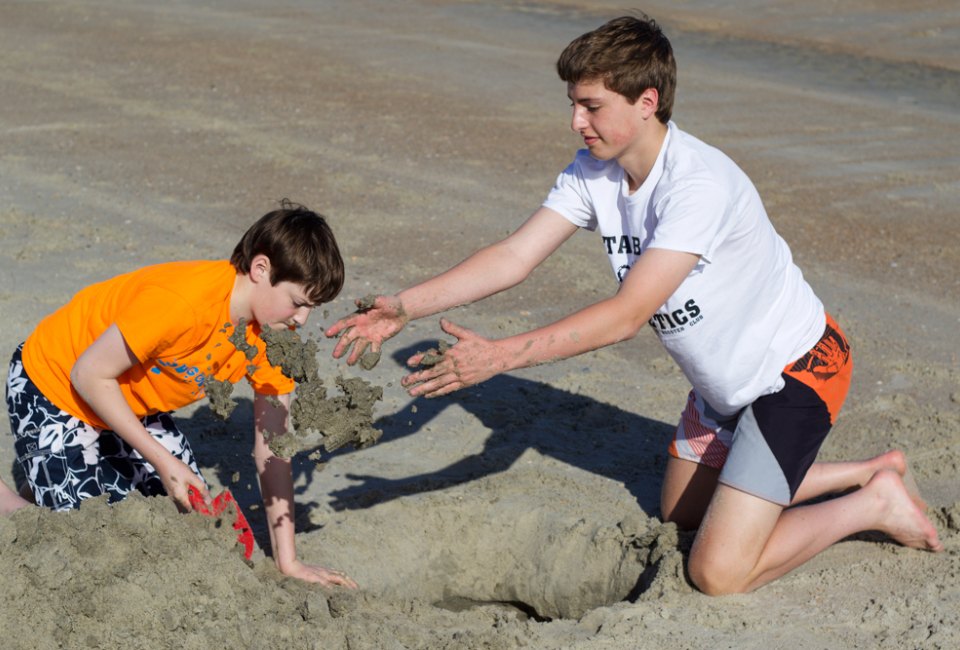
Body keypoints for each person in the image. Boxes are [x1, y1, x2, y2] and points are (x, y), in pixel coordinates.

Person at [325, 14, 943, 595]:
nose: (575, 121)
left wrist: (500, 357)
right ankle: (868, 468)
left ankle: (874, 502)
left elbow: (625, 316)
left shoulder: (697, 184)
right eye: (572, 103)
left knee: (717, 571)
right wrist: (406, 305)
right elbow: (515, 256)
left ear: (647, 102)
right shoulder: (594, 171)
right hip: (720, 390)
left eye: (591, 105)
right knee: (678, 513)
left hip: (794, 372)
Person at [1, 201, 357, 588]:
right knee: (82, 539)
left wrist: (289, 561)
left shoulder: (272, 338)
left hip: (127, 401)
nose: (301, 320)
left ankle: (48, 475)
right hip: (56, 383)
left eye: (312, 309)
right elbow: (87, 374)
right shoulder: (184, 302)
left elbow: (272, 447)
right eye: (298, 303)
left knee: (178, 514)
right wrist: (163, 460)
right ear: (260, 269)